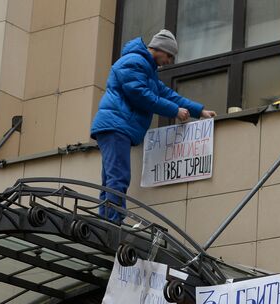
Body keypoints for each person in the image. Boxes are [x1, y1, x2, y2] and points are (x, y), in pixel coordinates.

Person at [90, 29, 216, 224]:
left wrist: (199, 111)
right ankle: (112, 222)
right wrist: (175, 111)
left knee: (112, 177)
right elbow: (141, 95)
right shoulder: (135, 62)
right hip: (116, 126)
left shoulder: (145, 69)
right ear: (159, 49)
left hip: (115, 126)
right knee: (118, 176)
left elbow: (168, 95)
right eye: (169, 55)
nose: (169, 61)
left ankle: (107, 220)